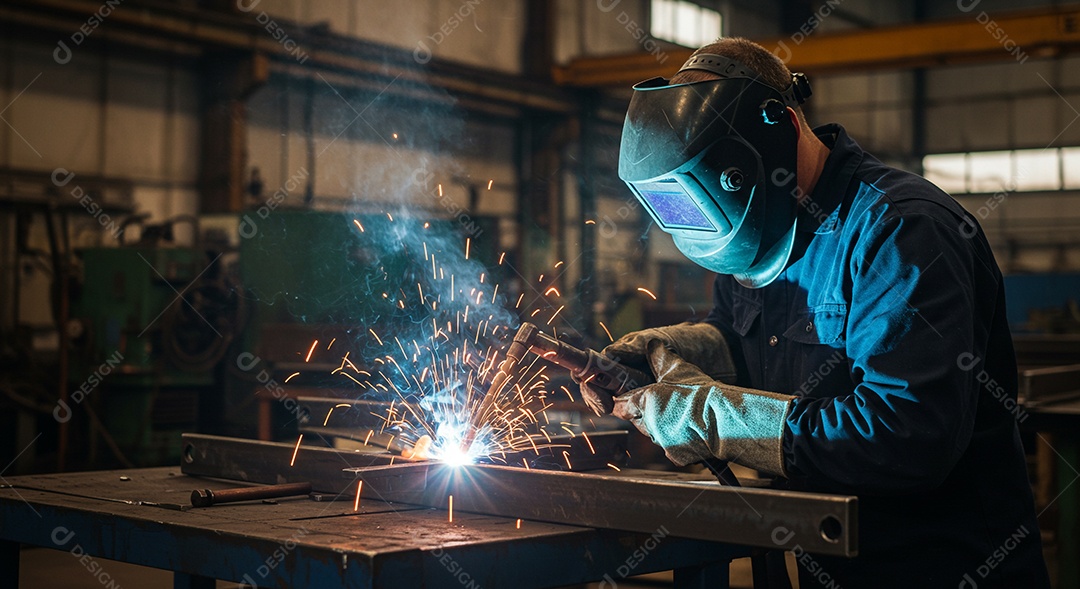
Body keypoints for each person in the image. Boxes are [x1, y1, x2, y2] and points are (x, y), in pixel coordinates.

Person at [581, 37, 1050, 588]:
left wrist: (711, 416)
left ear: (779, 126)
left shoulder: (901, 232)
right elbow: (741, 338)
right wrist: (669, 352)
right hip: (828, 563)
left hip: (945, 567)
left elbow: (909, 437)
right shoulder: (762, 238)